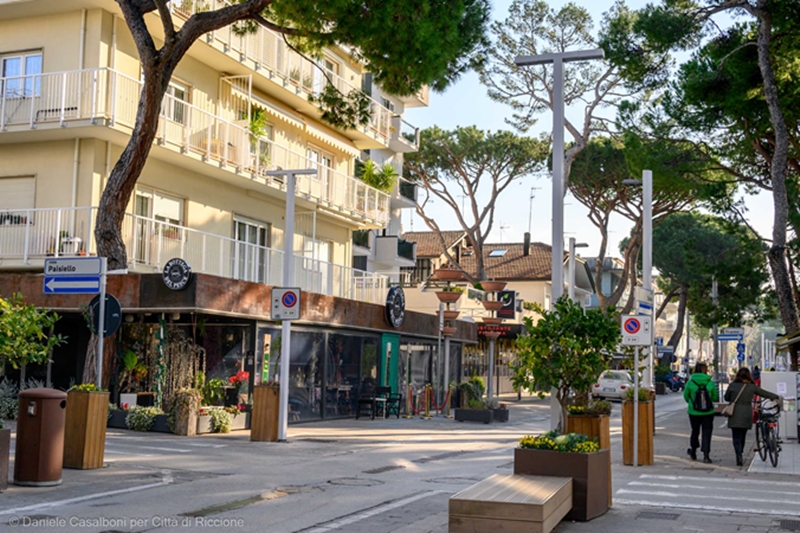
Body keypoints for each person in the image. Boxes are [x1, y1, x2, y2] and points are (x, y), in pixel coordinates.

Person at [724, 367, 781, 466]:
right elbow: (763, 393)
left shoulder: (732, 385)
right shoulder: (751, 386)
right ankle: (741, 452)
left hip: (734, 414)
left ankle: (738, 454)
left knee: (736, 436)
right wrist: (775, 396)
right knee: (743, 435)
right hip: (746, 414)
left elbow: (726, 398)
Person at [684, 362, 719, 463]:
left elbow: (686, 397)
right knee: (707, 433)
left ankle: (693, 451)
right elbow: (715, 397)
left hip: (693, 412)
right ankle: (706, 455)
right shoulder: (710, 382)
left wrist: (692, 403)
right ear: (705, 370)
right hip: (708, 412)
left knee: (695, 431)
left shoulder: (690, 382)